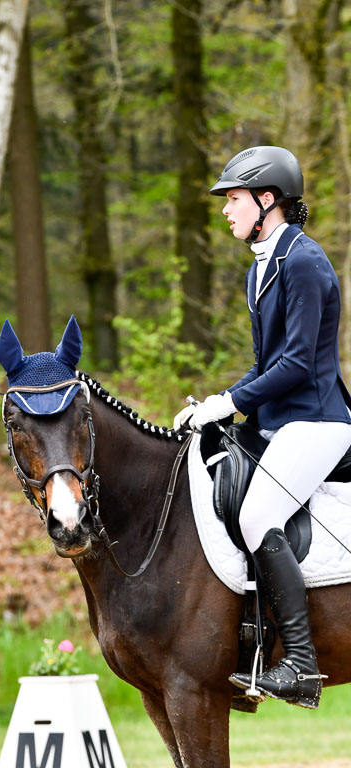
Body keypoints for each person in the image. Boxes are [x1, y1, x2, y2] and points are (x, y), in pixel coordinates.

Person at [174, 145, 351, 709]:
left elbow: (298, 364)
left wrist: (228, 404)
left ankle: (299, 662)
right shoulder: (262, 266)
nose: (226, 210)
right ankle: (250, 647)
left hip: (318, 422)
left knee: (258, 514)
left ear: (266, 200)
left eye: (234, 199)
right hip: (283, 422)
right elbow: (264, 364)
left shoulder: (303, 260)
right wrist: (214, 405)